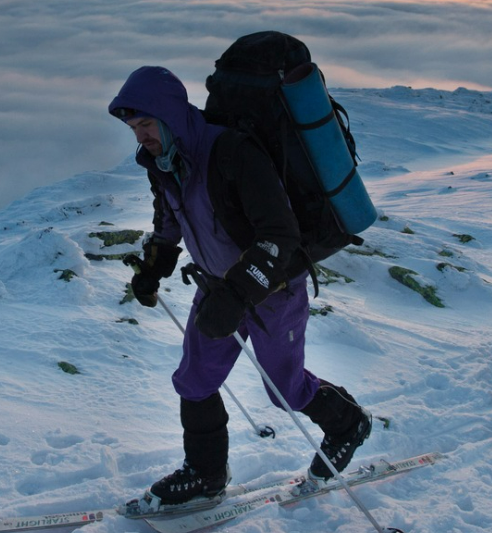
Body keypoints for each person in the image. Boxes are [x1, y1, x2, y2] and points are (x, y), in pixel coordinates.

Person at [108, 65, 372, 506]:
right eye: (135, 129)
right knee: (194, 380)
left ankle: (348, 424)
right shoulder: (163, 162)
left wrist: (237, 293)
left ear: (171, 116)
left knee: (283, 388)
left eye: (147, 125)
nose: (141, 137)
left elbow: (280, 236)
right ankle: (206, 474)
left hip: (273, 289)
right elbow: (169, 220)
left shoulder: (232, 153)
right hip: (217, 287)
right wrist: (154, 267)